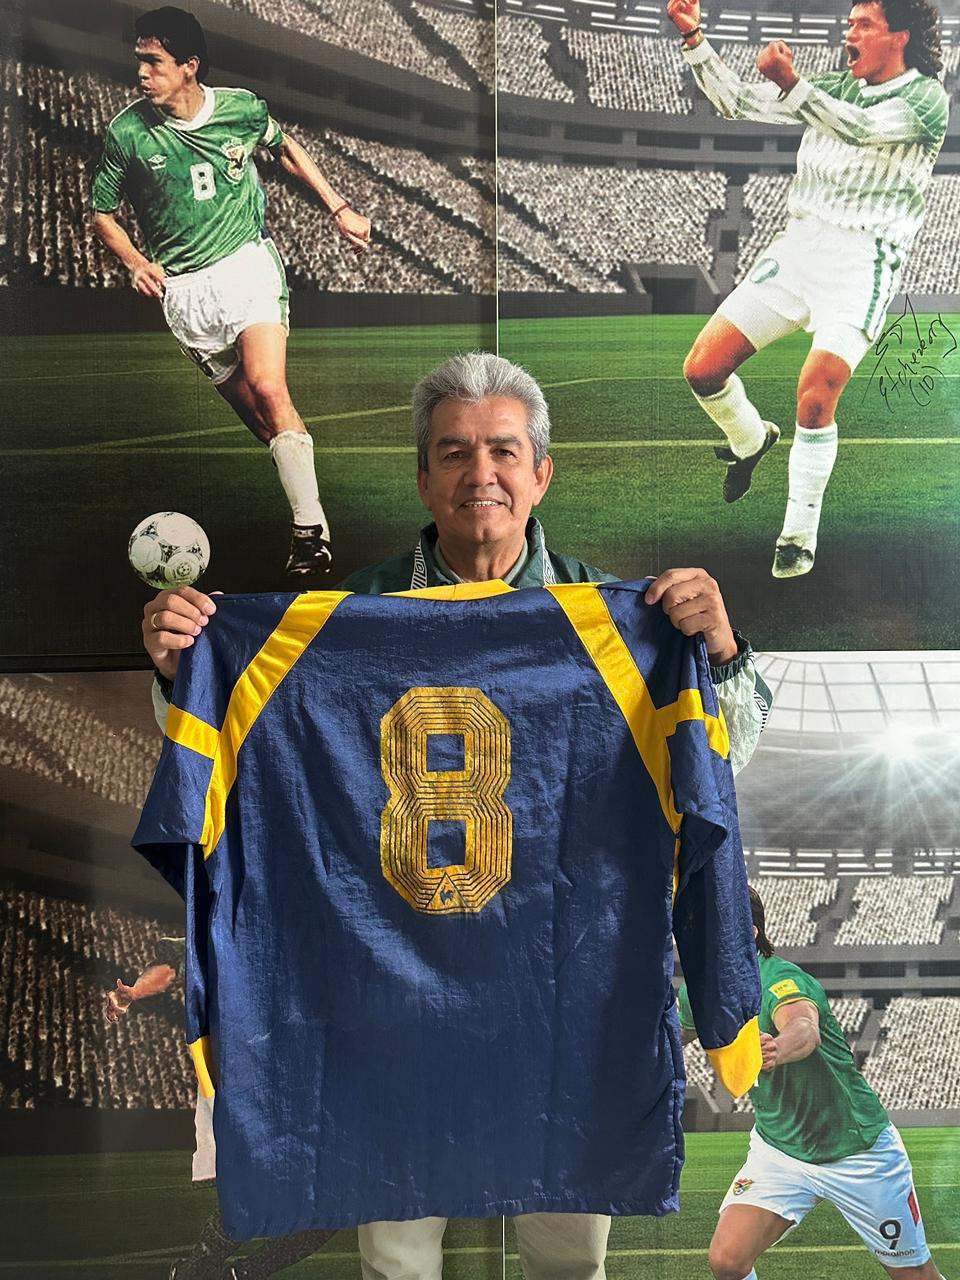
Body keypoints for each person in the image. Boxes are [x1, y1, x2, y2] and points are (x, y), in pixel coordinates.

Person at [140, 351, 772, 1280]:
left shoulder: (626, 623)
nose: (482, 473)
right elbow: (235, 758)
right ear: (424, 478)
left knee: (569, 1260)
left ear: (540, 473)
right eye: (455, 452)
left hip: (566, 993)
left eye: (504, 451)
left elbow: (723, 759)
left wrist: (715, 653)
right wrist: (183, 672)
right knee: (397, 1263)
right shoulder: (333, 620)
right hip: (387, 1005)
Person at [667, 0, 948, 579]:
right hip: (797, 249)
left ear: (899, 36)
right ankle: (750, 440)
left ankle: (797, 535)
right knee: (702, 369)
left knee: (816, 393)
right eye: (849, 22)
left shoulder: (926, 98)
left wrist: (793, 84)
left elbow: (861, 129)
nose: (849, 32)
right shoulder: (833, 85)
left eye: (863, 24)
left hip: (863, 260)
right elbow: (737, 102)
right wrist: (694, 37)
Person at [90, 6, 371, 578]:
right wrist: (137, 262)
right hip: (185, 293)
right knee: (266, 425)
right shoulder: (127, 133)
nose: (142, 72)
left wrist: (339, 207)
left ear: (189, 66)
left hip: (247, 266)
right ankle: (307, 499)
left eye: (154, 61)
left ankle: (310, 533)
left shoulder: (241, 109)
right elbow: (102, 213)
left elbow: (286, 148)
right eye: (139, 61)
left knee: (269, 386)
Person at [678, 886, 946, 1280]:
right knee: (727, 1261)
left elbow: (804, 1028)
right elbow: (669, 1040)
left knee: (915, 1276)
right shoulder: (698, 993)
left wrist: (776, 1049)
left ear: (749, 933)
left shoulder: (781, 979)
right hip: (781, 1151)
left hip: (858, 1152)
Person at [105, 940, 337, 1280]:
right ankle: (201, 1272)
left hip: (313, 1084)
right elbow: (171, 964)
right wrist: (135, 991)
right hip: (264, 1082)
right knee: (265, 1193)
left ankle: (233, 1273)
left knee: (330, 1206)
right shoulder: (234, 934)